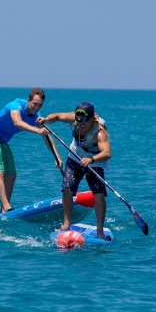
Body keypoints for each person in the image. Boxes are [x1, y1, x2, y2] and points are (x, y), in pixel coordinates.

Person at [37, 102, 111, 240]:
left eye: (85, 120)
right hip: (75, 157)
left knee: (99, 195)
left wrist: (92, 159)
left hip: (95, 161)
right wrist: (46, 119)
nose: (81, 123)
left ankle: (100, 230)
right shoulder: (75, 119)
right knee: (67, 189)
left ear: (93, 118)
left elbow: (107, 153)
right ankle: (66, 223)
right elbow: (58, 116)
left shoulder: (100, 133)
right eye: (78, 120)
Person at [0, 87, 62, 213]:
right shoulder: (15, 106)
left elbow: (46, 136)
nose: (36, 108)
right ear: (28, 100)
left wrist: (57, 157)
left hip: (3, 141)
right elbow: (17, 123)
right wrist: (37, 130)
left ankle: (5, 210)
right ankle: (7, 206)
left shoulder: (37, 116)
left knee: (12, 174)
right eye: (35, 104)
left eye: (40, 105)